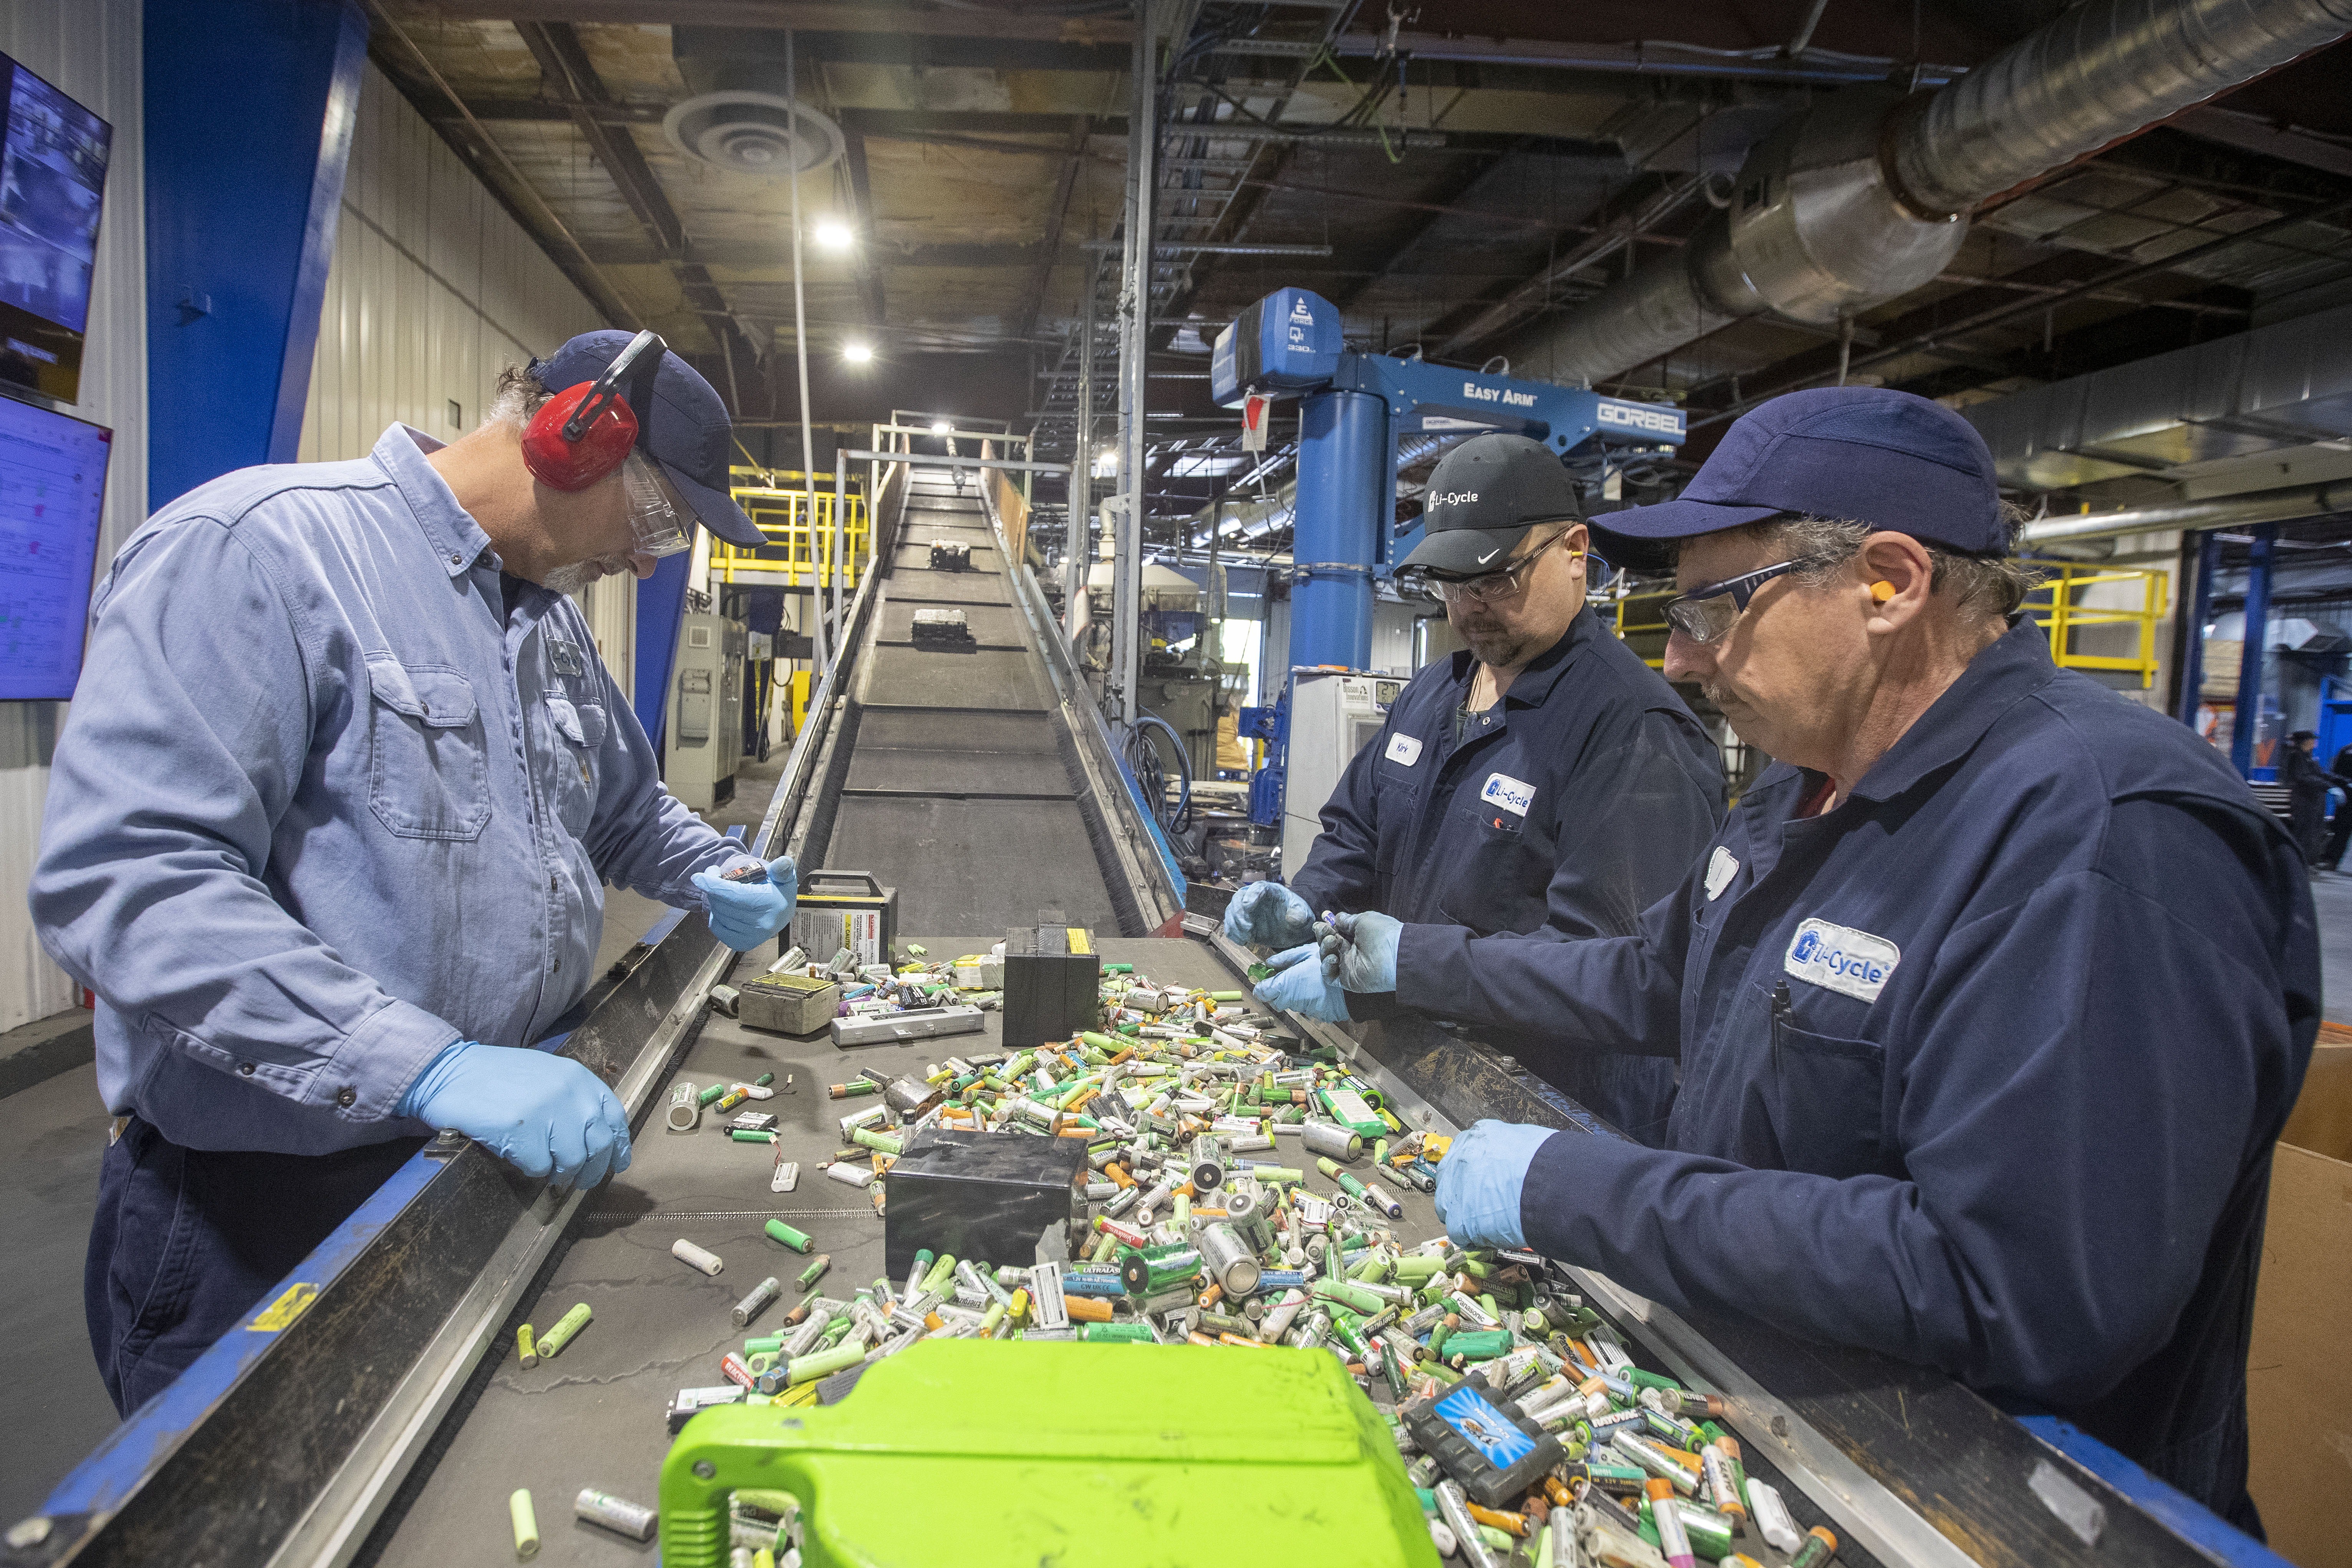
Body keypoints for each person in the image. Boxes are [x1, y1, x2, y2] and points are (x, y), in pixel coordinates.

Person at [1313, 387, 2316, 1528]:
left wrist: (1584, 1190)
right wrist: (1399, 961)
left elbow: (2012, 1282)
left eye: (1713, 610)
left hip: (1975, 1508)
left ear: (1886, 583)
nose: (1682, 663)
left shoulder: (2105, 837)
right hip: (1782, 1422)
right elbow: (1654, 977)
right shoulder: (1803, 780)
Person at [32, 330, 801, 1416]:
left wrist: (714, 864)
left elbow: (622, 808)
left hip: (484, 1170)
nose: (646, 561)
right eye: (657, 520)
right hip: (261, 1211)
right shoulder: (260, 553)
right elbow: (133, 880)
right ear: (574, 437)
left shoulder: (548, 625)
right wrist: (429, 1067)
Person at [1227, 433, 1724, 1143]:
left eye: (1495, 579)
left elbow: (1619, 978)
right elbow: (1356, 834)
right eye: (1451, 582)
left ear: (1575, 552)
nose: (1470, 606)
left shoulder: (1633, 733)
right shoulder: (1434, 693)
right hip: (1416, 1079)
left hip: (1549, 1118)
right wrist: (1306, 903)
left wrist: (1411, 966)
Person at [2279, 729, 2344, 867]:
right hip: (2304, 801)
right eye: (2312, 741)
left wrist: (2342, 781)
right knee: (2302, 832)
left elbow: (2320, 774)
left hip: (2313, 801)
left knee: (2312, 833)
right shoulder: (2296, 756)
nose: (2314, 744)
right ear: (2305, 742)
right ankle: (2296, 863)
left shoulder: (2307, 757)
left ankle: (2306, 862)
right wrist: (2329, 787)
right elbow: (2303, 777)